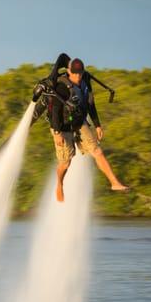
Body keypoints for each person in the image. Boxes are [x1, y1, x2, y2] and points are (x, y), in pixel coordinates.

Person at [49, 57, 129, 202]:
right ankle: (60, 184)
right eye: (75, 73)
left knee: (97, 151)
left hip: (79, 121)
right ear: (69, 71)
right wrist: (56, 133)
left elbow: (91, 104)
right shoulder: (62, 87)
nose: (78, 76)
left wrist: (97, 124)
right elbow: (54, 110)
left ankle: (114, 183)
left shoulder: (85, 82)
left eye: (80, 73)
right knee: (66, 162)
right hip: (61, 126)